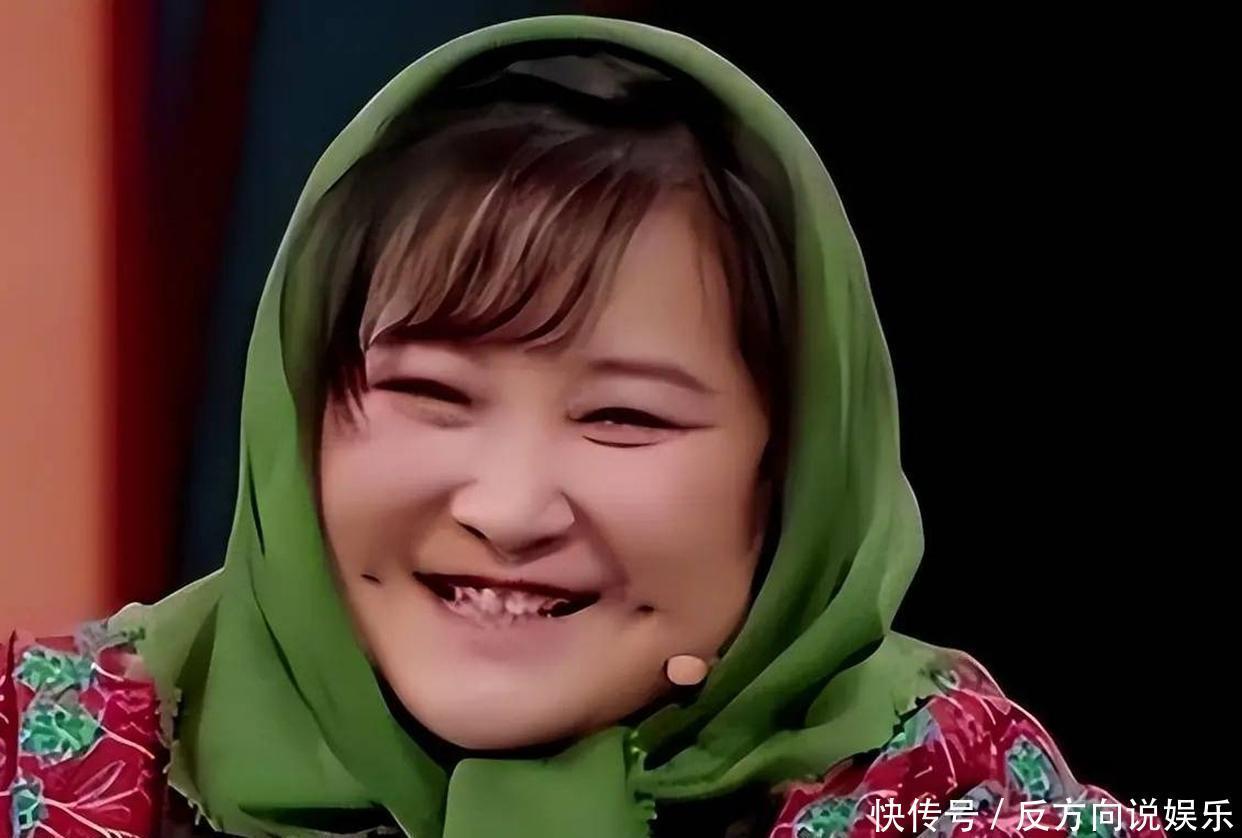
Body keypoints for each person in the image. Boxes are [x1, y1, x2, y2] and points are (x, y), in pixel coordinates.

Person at [0, 17, 1167, 838]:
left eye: (623, 416)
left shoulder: (951, 797)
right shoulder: (52, 760)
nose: (508, 509)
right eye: (432, 393)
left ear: (789, 472)